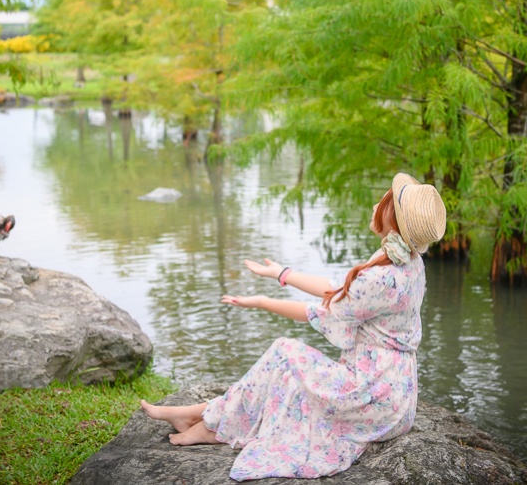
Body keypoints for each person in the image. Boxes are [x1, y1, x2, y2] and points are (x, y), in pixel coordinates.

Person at [140, 172, 447, 481]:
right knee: (287, 377)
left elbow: (322, 310)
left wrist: (262, 301)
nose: (374, 205)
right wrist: (281, 273)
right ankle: (202, 415)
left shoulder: (384, 277)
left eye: (383, 201)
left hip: (374, 395)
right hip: (394, 393)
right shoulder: (406, 262)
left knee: (285, 352)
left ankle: (206, 424)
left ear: (391, 218)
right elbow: (339, 288)